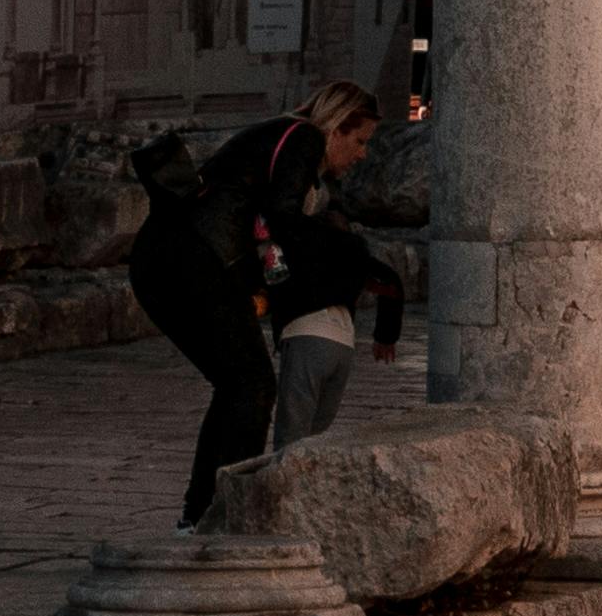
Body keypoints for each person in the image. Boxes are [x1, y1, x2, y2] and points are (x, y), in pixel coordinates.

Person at [126, 79, 401, 522]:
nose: (363, 153)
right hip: (194, 259)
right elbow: (284, 219)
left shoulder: (286, 140)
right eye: (361, 140)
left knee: (239, 384)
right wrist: (347, 248)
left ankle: (203, 515)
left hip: (169, 259)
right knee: (250, 385)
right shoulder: (306, 137)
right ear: (336, 127)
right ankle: (228, 516)